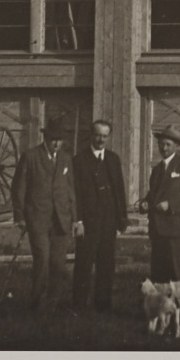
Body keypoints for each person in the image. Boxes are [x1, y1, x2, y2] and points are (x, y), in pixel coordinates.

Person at [10, 114, 78, 312]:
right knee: (42, 259)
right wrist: (20, 216)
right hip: (38, 219)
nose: (56, 144)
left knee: (58, 263)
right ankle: (37, 302)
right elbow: (19, 188)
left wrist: (75, 218)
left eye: (59, 140)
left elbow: (70, 188)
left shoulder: (66, 159)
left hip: (61, 220)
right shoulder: (30, 157)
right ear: (45, 139)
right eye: (52, 140)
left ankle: (53, 302)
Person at [71, 118, 129, 313]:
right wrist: (78, 220)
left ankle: (103, 305)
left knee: (106, 264)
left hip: (108, 222)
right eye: (97, 135)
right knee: (83, 264)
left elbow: (119, 191)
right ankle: (78, 305)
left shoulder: (113, 159)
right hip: (88, 222)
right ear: (91, 134)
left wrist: (122, 219)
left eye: (104, 136)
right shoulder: (79, 160)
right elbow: (76, 194)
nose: (100, 140)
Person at [140, 127, 180, 283]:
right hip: (157, 231)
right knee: (159, 277)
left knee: (179, 275)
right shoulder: (157, 170)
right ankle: (163, 307)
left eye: (167, 144)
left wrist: (171, 205)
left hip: (176, 231)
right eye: (161, 144)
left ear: (176, 146)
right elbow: (153, 194)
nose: (163, 148)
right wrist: (145, 203)